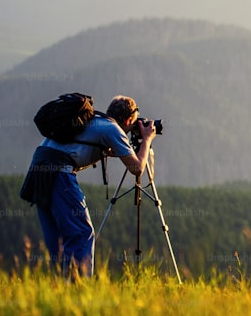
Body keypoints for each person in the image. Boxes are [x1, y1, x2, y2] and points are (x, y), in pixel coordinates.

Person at [20, 95, 157, 278]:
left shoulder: (95, 120)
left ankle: (60, 288)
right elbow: (137, 168)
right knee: (81, 233)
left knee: (58, 238)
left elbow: (88, 147)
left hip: (38, 169)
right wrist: (147, 139)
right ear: (127, 120)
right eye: (132, 126)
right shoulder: (112, 129)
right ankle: (80, 288)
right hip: (58, 172)